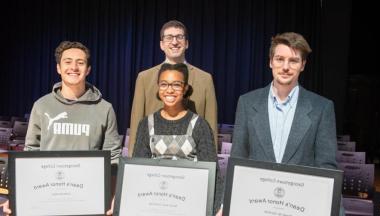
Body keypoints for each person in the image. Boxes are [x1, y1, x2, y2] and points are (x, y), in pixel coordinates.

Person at [219, 32, 343, 216]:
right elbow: (238, 158)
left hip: (300, 207)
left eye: (293, 61)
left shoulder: (322, 108)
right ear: (270, 62)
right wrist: (225, 204)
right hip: (255, 204)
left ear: (303, 65)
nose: (285, 67)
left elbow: (327, 168)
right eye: (280, 59)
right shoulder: (247, 102)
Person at [3, 41, 122, 215]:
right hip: (47, 197)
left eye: (80, 62)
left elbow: (113, 158)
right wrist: (17, 197)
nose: (74, 67)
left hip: (88, 200)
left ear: (88, 69)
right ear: (58, 67)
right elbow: (30, 154)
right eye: (67, 62)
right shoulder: (41, 106)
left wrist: (112, 197)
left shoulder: (105, 109)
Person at [107, 63, 221, 215]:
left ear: (185, 88)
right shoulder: (146, 124)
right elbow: (138, 172)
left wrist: (217, 208)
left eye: (176, 84)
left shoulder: (199, 125)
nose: (169, 90)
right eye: (164, 84)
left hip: (189, 205)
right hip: (154, 204)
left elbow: (213, 172)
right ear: (158, 87)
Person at [129, 20, 218, 157]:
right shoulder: (144, 78)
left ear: (187, 43)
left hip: (192, 165)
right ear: (161, 44)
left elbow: (211, 128)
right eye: (169, 37)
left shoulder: (205, 79)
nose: (175, 42)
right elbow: (136, 127)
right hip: (153, 165)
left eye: (179, 37)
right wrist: (132, 164)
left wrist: (211, 170)